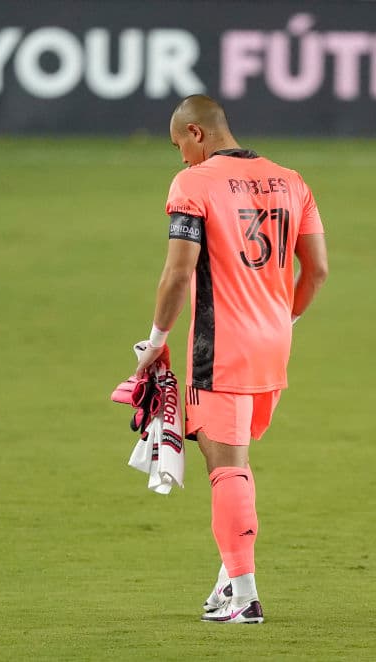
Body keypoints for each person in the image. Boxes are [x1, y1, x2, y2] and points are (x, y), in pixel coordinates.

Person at [134, 94, 328, 624]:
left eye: (180, 146)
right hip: (272, 345)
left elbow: (178, 273)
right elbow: (318, 271)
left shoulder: (194, 185)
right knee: (238, 464)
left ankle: (245, 596)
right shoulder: (292, 180)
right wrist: (282, 322)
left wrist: (155, 340)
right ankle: (227, 582)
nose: (180, 159)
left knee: (226, 470)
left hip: (218, 348)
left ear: (197, 133)